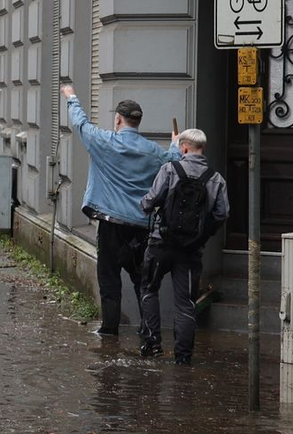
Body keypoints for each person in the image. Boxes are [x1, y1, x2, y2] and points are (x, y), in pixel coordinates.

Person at [61, 84, 180, 338]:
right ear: (138, 122)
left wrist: (72, 96)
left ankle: (109, 331)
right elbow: (173, 163)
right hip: (141, 227)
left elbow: (80, 124)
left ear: (118, 119)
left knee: (109, 280)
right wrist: (175, 145)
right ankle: (148, 331)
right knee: (142, 281)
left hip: (111, 225)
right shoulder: (153, 152)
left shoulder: (104, 142)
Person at [139, 128, 230, 364]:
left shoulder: (170, 169)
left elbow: (151, 201)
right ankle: (183, 356)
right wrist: (202, 235)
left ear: (184, 148)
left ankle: (152, 344)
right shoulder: (216, 179)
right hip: (191, 251)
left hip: (161, 243)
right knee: (185, 303)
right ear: (203, 149)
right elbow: (222, 214)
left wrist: (144, 205)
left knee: (149, 289)